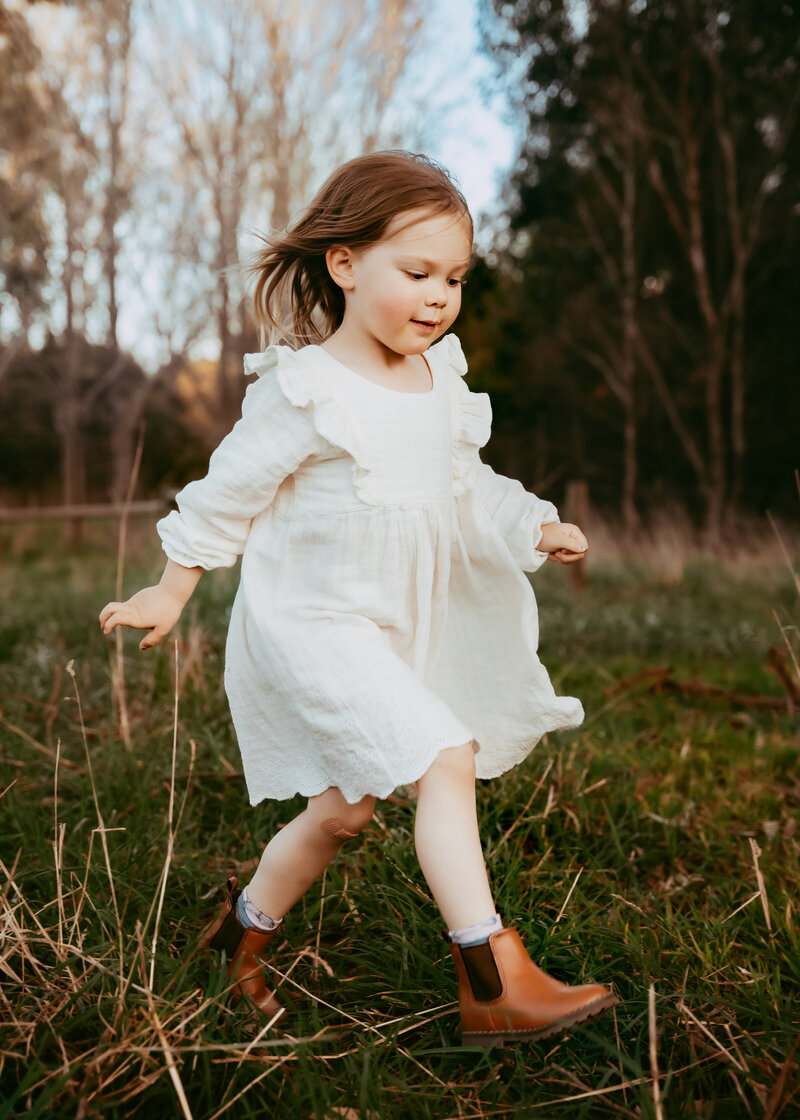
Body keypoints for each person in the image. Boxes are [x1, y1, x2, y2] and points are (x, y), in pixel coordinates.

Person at [98, 150, 617, 1047]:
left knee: (342, 812)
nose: (438, 296)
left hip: (391, 630)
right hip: (314, 624)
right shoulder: (307, 392)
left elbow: (468, 487)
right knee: (445, 755)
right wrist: (169, 588)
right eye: (415, 272)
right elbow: (227, 495)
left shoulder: (438, 383)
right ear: (344, 264)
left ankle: (235, 944)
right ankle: (492, 976)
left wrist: (533, 524)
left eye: (454, 277)